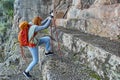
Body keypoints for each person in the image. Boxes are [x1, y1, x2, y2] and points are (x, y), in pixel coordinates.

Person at [23, 12, 54, 78]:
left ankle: (47, 52)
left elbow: (42, 23)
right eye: (40, 21)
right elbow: (45, 26)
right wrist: (50, 19)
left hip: (34, 41)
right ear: (38, 22)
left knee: (47, 39)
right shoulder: (35, 27)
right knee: (35, 60)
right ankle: (26, 71)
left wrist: (48, 17)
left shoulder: (31, 24)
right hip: (32, 44)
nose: (41, 22)